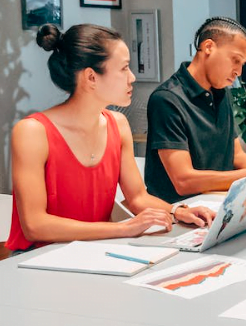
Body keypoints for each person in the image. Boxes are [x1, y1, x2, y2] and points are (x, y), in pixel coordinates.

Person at [6, 24, 214, 255]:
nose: (132, 77)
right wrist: (123, 228)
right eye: (124, 68)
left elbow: (137, 197)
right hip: (38, 261)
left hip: (97, 253)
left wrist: (177, 212)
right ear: (91, 77)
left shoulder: (118, 124)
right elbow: (35, 226)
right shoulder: (31, 132)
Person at [145, 17, 246, 204]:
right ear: (209, 47)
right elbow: (183, 181)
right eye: (235, 60)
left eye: (242, 63)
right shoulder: (167, 99)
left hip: (218, 204)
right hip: (179, 212)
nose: (239, 72)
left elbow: (236, 155)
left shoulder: (221, 93)